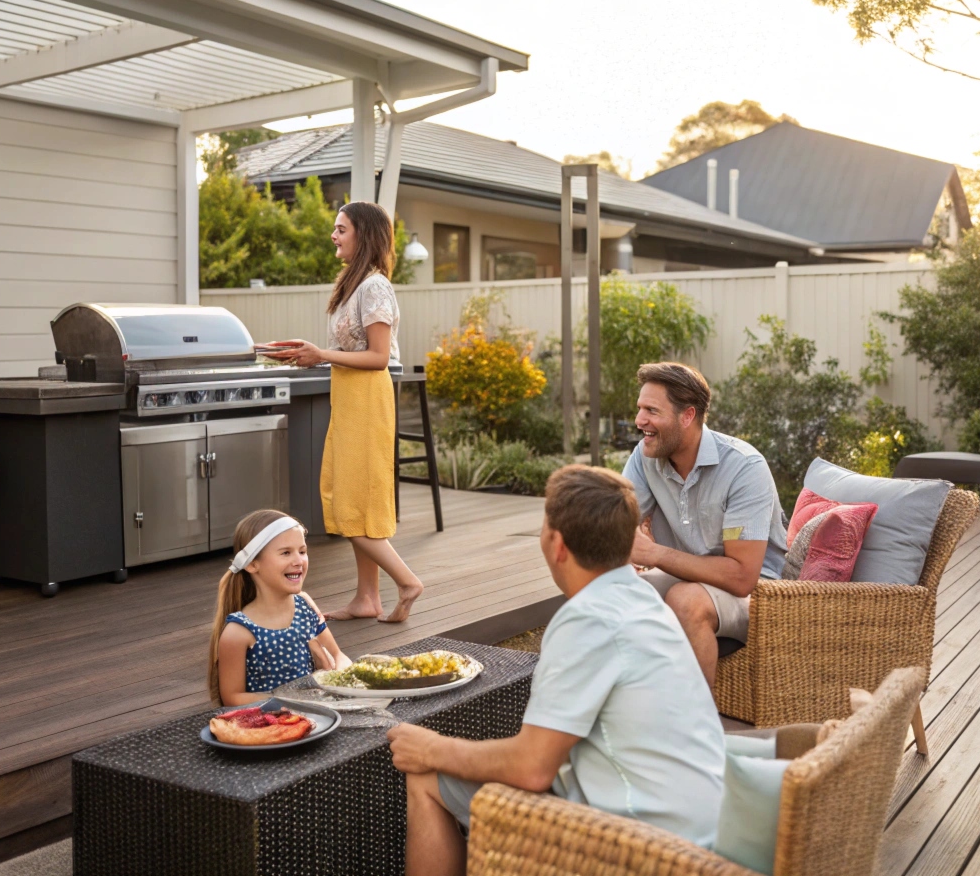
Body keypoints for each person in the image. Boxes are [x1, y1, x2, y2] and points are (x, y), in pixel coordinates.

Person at [385, 465, 726, 876]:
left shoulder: (587, 618)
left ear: (557, 544)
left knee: (426, 776)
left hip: (642, 843)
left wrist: (430, 748)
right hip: (698, 828)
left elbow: (531, 768)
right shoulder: (645, 598)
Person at [258, 201, 424, 622]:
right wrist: (305, 351)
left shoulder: (374, 287)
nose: (333, 235)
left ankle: (407, 582)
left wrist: (320, 355)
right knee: (352, 498)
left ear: (363, 234)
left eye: (341, 229)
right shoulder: (355, 285)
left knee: (352, 505)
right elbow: (348, 352)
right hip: (350, 398)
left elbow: (380, 357)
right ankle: (367, 599)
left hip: (367, 400)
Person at [622, 361, 788, 687]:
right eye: (640, 408)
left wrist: (654, 554)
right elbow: (617, 525)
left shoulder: (743, 468)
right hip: (682, 575)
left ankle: (696, 731)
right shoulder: (645, 457)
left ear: (687, 416)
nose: (640, 420)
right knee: (611, 594)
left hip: (759, 593)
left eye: (652, 411)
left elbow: (741, 577)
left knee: (686, 600)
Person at [209, 509, 352, 706]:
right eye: (286, 553)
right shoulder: (238, 631)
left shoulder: (305, 608)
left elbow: (338, 655)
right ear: (252, 564)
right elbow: (233, 698)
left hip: (317, 713)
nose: (298, 561)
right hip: (271, 726)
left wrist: (342, 675)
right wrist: (293, 699)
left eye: (302, 551)